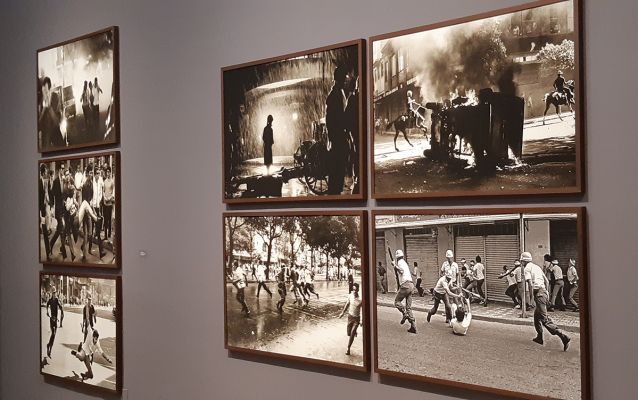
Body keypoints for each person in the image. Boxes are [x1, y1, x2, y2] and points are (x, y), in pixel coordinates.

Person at [521, 252, 571, 351]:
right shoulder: (537, 267)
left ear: (523, 261)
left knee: (544, 319)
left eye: (522, 261)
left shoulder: (526, 269)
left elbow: (530, 284)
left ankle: (563, 337)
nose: (521, 262)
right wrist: (547, 293)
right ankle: (539, 337)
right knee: (536, 318)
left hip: (538, 294)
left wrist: (531, 300)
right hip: (543, 292)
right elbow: (547, 282)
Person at [326, 66, 350, 195]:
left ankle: (335, 194)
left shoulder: (337, 93)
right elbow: (334, 119)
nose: (346, 79)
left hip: (338, 137)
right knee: (337, 170)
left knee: (337, 171)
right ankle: (334, 197)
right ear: (339, 78)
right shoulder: (335, 95)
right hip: (338, 138)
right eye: (344, 77)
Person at [393, 249, 417, 333]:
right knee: (409, 307)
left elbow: (401, 271)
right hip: (411, 285)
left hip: (405, 285)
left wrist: (395, 265)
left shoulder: (399, 262)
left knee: (397, 302)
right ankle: (413, 326)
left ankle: (404, 313)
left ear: (397, 257)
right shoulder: (404, 263)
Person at [339, 282, 362, 355]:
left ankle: (348, 348)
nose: (354, 291)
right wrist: (342, 313)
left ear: (358, 289)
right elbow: (347, 304)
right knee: (349, 333)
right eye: (353, 289)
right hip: (350, 317)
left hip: (356, 318)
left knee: (352, 334)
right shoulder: (350, 296)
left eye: (355, 289)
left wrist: (362, 320)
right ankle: (354, 331)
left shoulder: (361, 299)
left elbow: (363, 310)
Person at [45, 286, 64, 358]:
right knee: (53, 333)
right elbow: (47, 305)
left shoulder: (56, 300)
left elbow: (60, 306)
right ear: (51, 293)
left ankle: (49, 349)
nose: (54, 294)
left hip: (55, 320)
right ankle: (48, 346)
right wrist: (47, 312)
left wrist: (62, 311)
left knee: (54, 335)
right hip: (51, 319)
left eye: (55, 293)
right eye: (53, 293)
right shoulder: (50, 300)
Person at [39, 164, 52, 261]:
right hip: (40, 211)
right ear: (43, 172)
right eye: (46, 172)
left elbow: (46, 195)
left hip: (43, 211)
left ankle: (48, 254)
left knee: (45, 233)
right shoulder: (38, 181)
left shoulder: (45, 182)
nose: (47, 173)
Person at [102, 166, 115, 242]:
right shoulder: (105, 181)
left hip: (110, 203)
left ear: (110, 172)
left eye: (109, 172)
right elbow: (103, 191)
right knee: (105, 218)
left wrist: (110, 198)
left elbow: (113, 192)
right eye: (107, 172)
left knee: (109, 219)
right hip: (105, 202)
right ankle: (106, 235)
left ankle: (109, 234)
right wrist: (105, 197)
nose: (108, 173)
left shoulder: (112, 181)